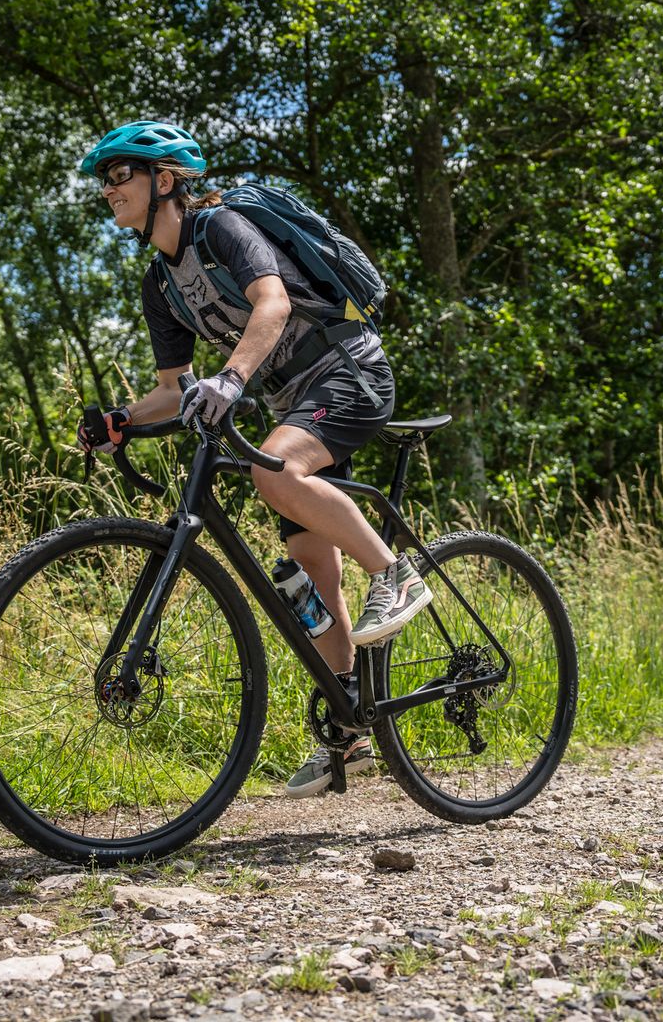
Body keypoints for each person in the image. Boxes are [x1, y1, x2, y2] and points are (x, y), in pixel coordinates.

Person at [75, 120, 431, 797]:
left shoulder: (222, 227)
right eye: (105, 180)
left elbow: (272, 302)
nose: (109, 189)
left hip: (349, 371)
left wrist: (232, 379)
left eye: (121, 174)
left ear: (165, 181)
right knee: (308, 569)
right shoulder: (161, 285)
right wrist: (122, 420)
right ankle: (351, 725)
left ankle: (396, 574)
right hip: (293, 400)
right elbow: (173, 389)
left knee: (275, 471)